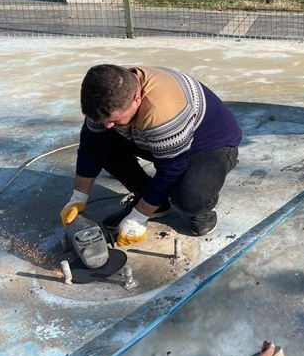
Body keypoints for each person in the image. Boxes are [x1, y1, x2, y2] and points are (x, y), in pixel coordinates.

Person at [59, 65, 242, 245]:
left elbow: (171, 170)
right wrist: (78, 198)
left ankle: (202, 209)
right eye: (103, 120)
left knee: (189, 197)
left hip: (209, 143)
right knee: (101, 141)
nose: (107, 125)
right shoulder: (106, 95)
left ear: (137, 99)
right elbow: (91, 146)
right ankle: (153, 201)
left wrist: (138, 217)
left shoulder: (162, 112)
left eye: (114, 120)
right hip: (157, 137)